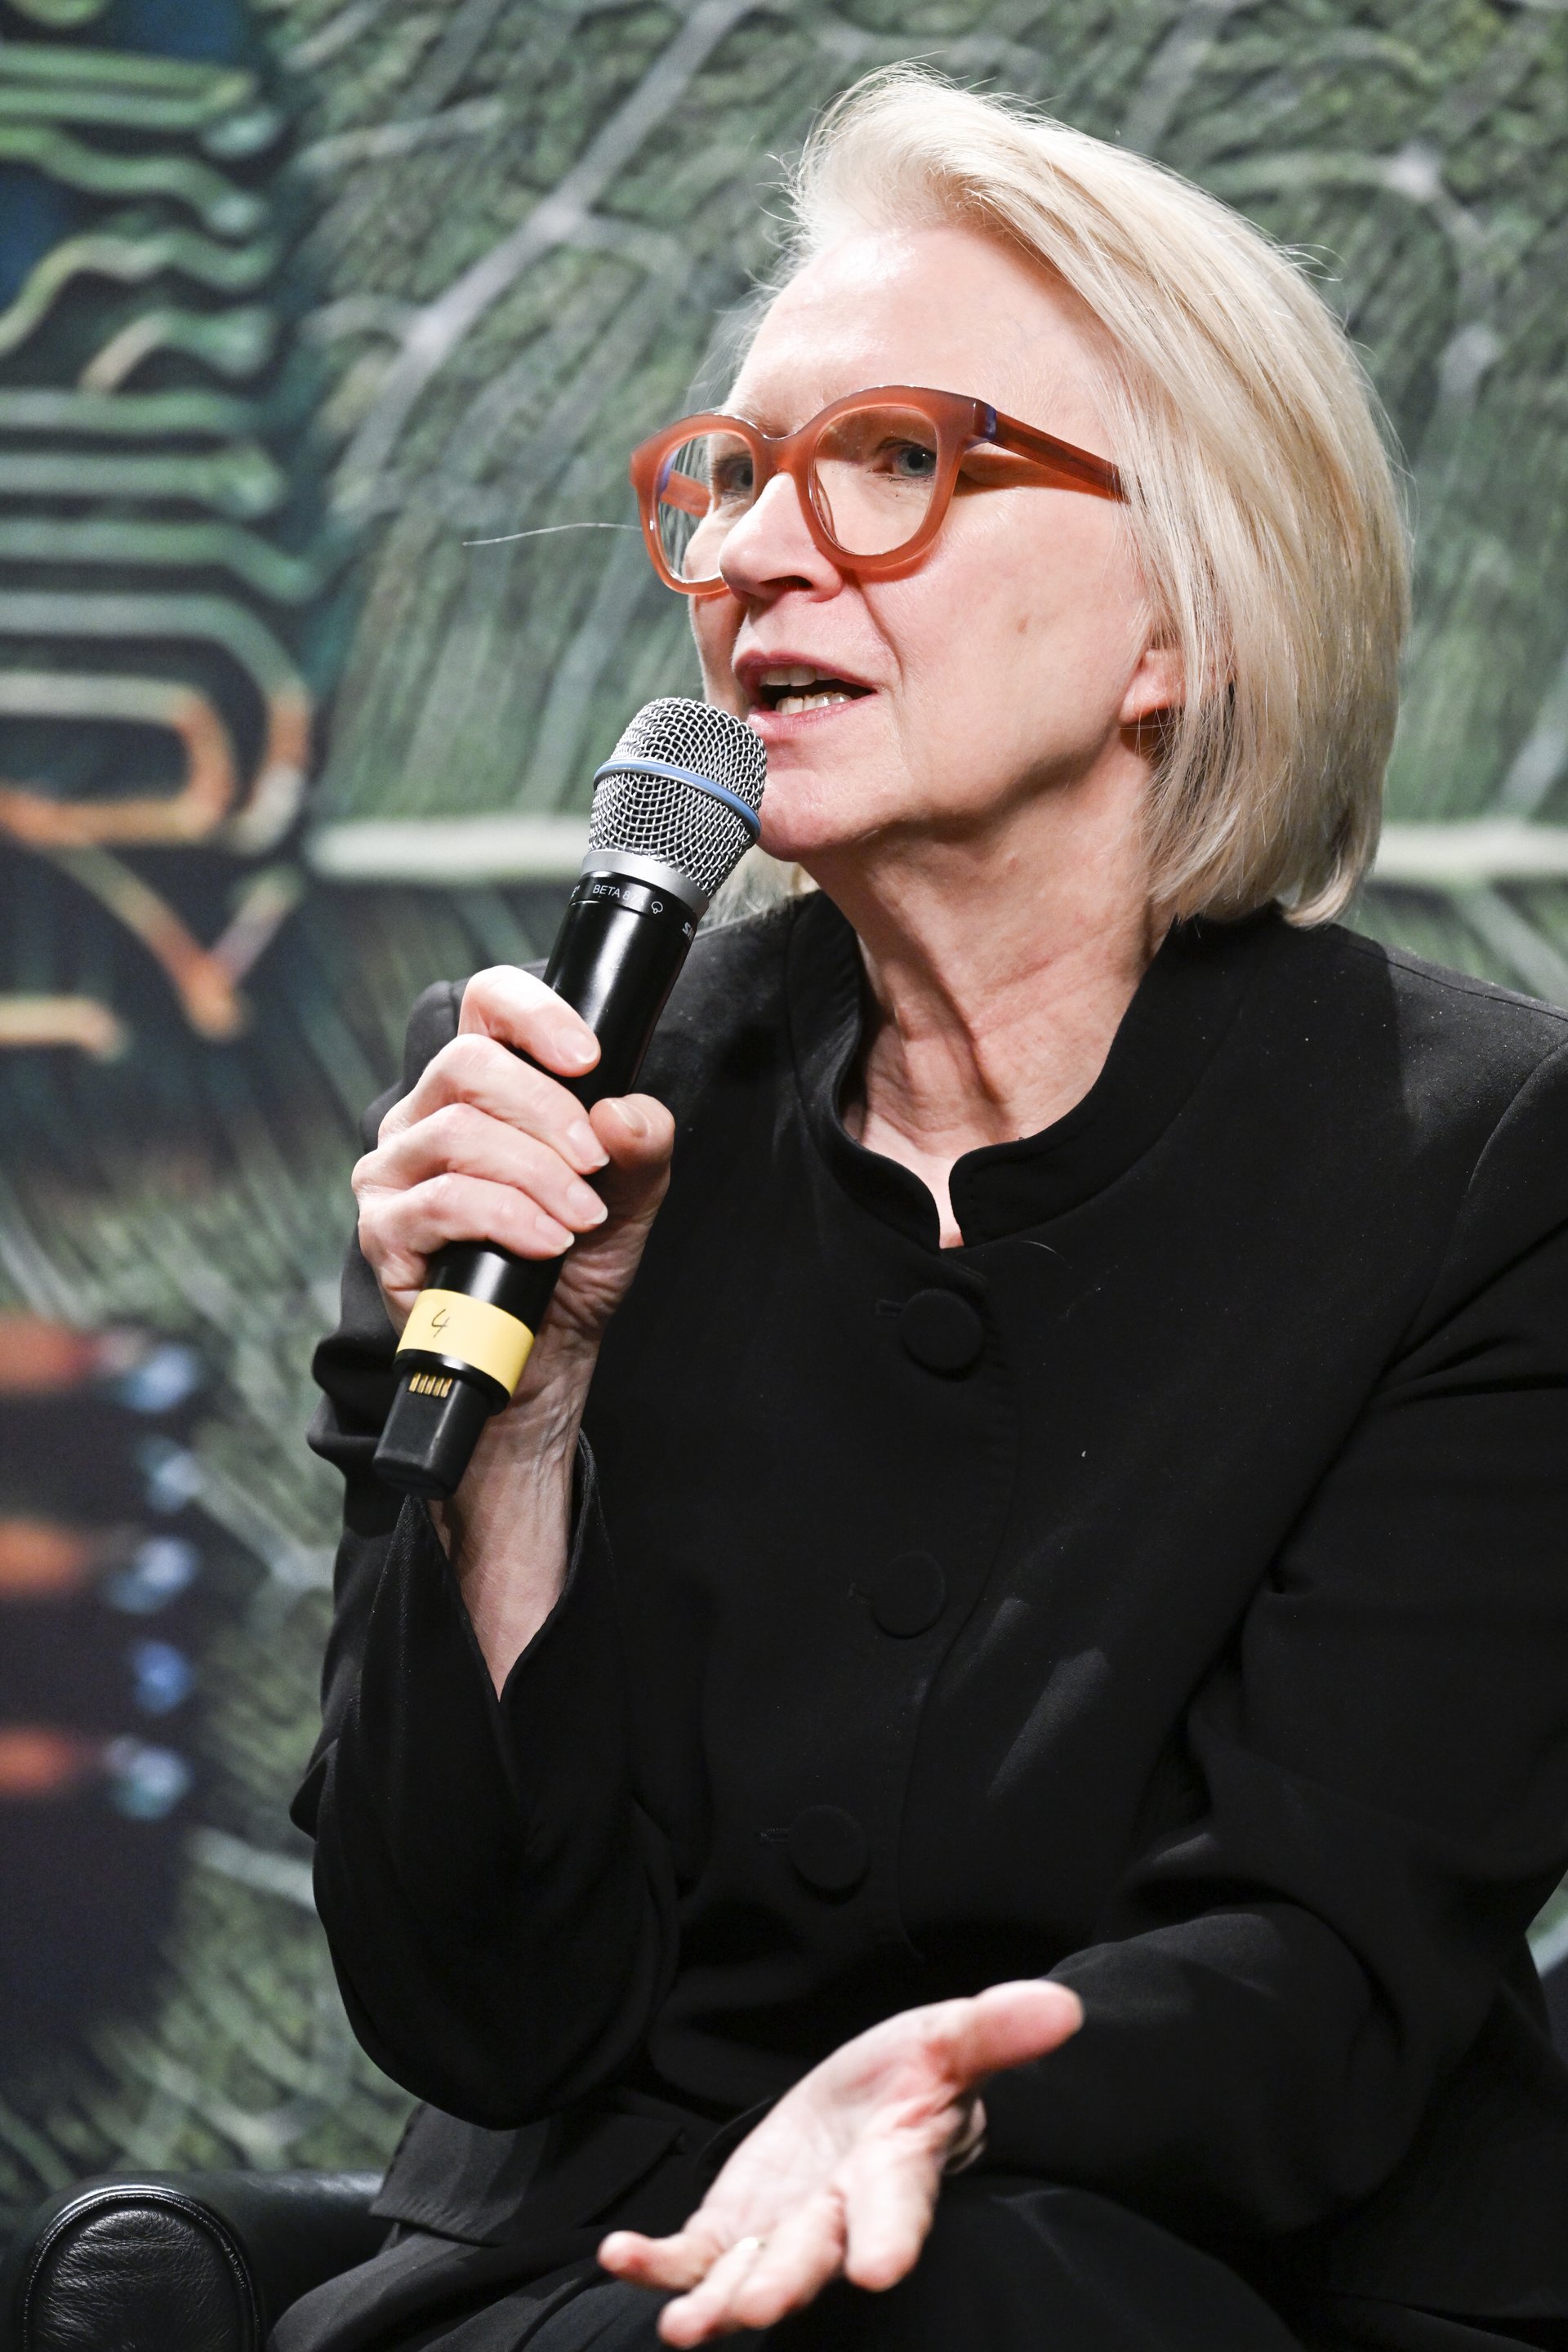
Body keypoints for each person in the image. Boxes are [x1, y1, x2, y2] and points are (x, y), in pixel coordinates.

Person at [277, 68, 1568, 2352]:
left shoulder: (1474, 1158)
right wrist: (527, 1426)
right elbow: (470, 2002)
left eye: (894, 464)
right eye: (735, 474)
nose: (758, 553)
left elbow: (1331, 1970)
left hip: (1175, 2277)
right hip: (609, 2276)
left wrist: (965, 2094)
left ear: (1182, 621)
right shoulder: (568, 1113)